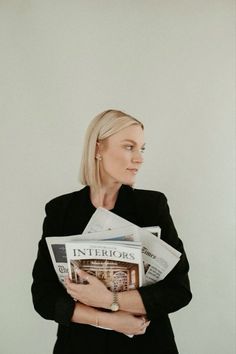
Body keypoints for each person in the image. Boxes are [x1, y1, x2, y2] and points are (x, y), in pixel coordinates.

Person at [31, 109, 192, 354]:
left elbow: (179, 291)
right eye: (129, 147)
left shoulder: (151, 206)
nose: (139, 158)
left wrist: (109, 300)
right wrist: (110, 319)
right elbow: (44, 297)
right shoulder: (60, 210)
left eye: (142, 149)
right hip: (79, 346)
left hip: (146, 345)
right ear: (98, 149)